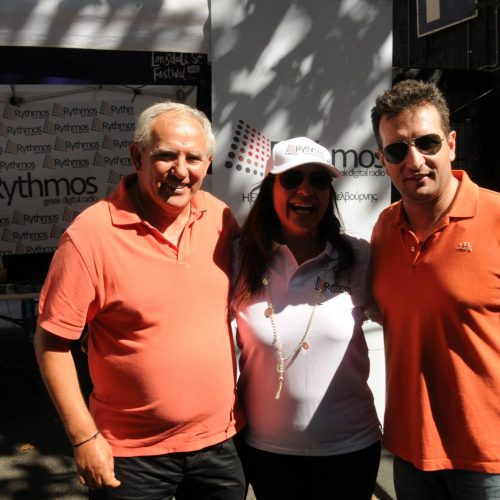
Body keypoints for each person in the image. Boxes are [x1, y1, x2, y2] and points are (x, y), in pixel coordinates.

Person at [34, 101, 246, 499]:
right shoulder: (89, 237)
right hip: (132, 455)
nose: (180, 171)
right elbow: (51, 342)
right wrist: (83, 437)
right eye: (166, 156)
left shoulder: (219, 219)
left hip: (218, 443)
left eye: (193, 158)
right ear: (137, 156)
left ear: (208, 162)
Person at [370, 79, 500, 499]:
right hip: (410, 454)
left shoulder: (497, 217)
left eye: (427, 143)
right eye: (397, 150)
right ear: (382, 160)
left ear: (451, 144)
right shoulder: (385, 228)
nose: (414, 161)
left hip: (488, 460)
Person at [232, 137, 382, 500]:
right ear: (270, 188)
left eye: (318, 180)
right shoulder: (239, 258)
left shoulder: (359, 257)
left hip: (350, 451)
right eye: (291, 178)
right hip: (266, 454)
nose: (306, 190)